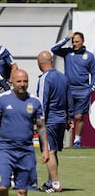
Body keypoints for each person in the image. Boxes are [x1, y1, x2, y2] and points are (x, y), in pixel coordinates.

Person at [0, 69, 49, 196]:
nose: (22, 84)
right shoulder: (2, 99)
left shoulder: (35, 101)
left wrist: (45, 150)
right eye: (19, 81)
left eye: (25, 81)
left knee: (22, 191)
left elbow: (41, 127)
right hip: (6, 150)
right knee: (3, 187)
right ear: (12, 82)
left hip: (26, 151)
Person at [37, 51, 74, 193]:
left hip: (49, 120)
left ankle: (56, 184)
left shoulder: (45, 78)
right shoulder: (63, 77)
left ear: (40, 62)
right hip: (60, 120)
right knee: (53, 152)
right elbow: (69, 99)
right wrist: (69, 118)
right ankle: (49, 182)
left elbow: (42, 102)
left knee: (49, 151)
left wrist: (37, 121)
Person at [51, 31, 95, 148]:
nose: (74, 44)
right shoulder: (67, 53)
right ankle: (60, 139)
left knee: (78, 116)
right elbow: (54, 49)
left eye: (77, 41)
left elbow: (94, 73)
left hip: (83, 90)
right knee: (64, 116)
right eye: (73, 41)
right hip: (68, 90)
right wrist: (66, 38)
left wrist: (91, 88)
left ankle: (77, 141)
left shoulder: (89, 56)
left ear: (82, 41)